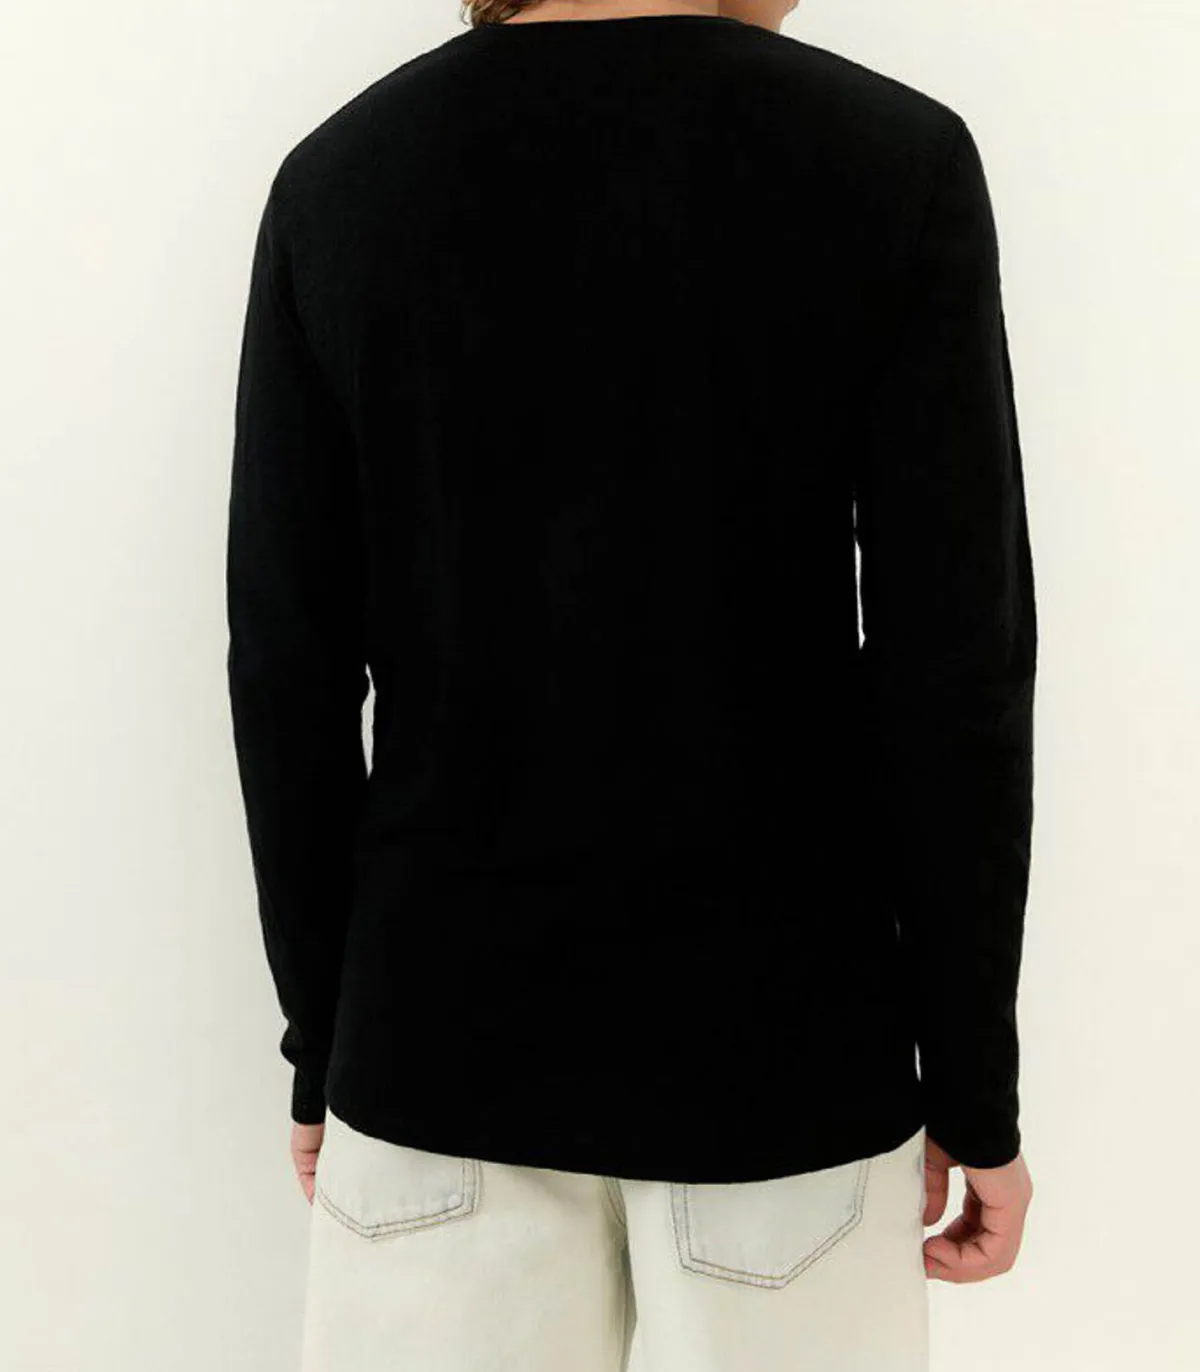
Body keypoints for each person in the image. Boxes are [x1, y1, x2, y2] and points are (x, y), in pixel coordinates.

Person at [224, 1, 1038, 1367]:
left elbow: (287, 671)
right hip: (786, 1065)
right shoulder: (893, 159)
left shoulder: (341, 176)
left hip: (436, 1054)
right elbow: (954, 674)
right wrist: (974, 1087)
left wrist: (327, 1041)